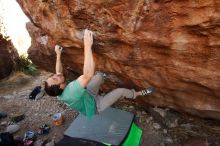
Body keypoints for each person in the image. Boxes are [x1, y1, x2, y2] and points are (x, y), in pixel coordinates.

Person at [44, 29, 154, 118]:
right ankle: (138, 94)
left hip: (87, 95)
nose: (56, 75)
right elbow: (87, 75)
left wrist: (58, 54)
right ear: (61, 86)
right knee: (120, 91)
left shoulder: (58, 92)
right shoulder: (71, 91)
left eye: (52, 76)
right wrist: (87, 45)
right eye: (55, 79)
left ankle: (105, 76)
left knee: (99, 76)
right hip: (96, 106)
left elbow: (58, 71)